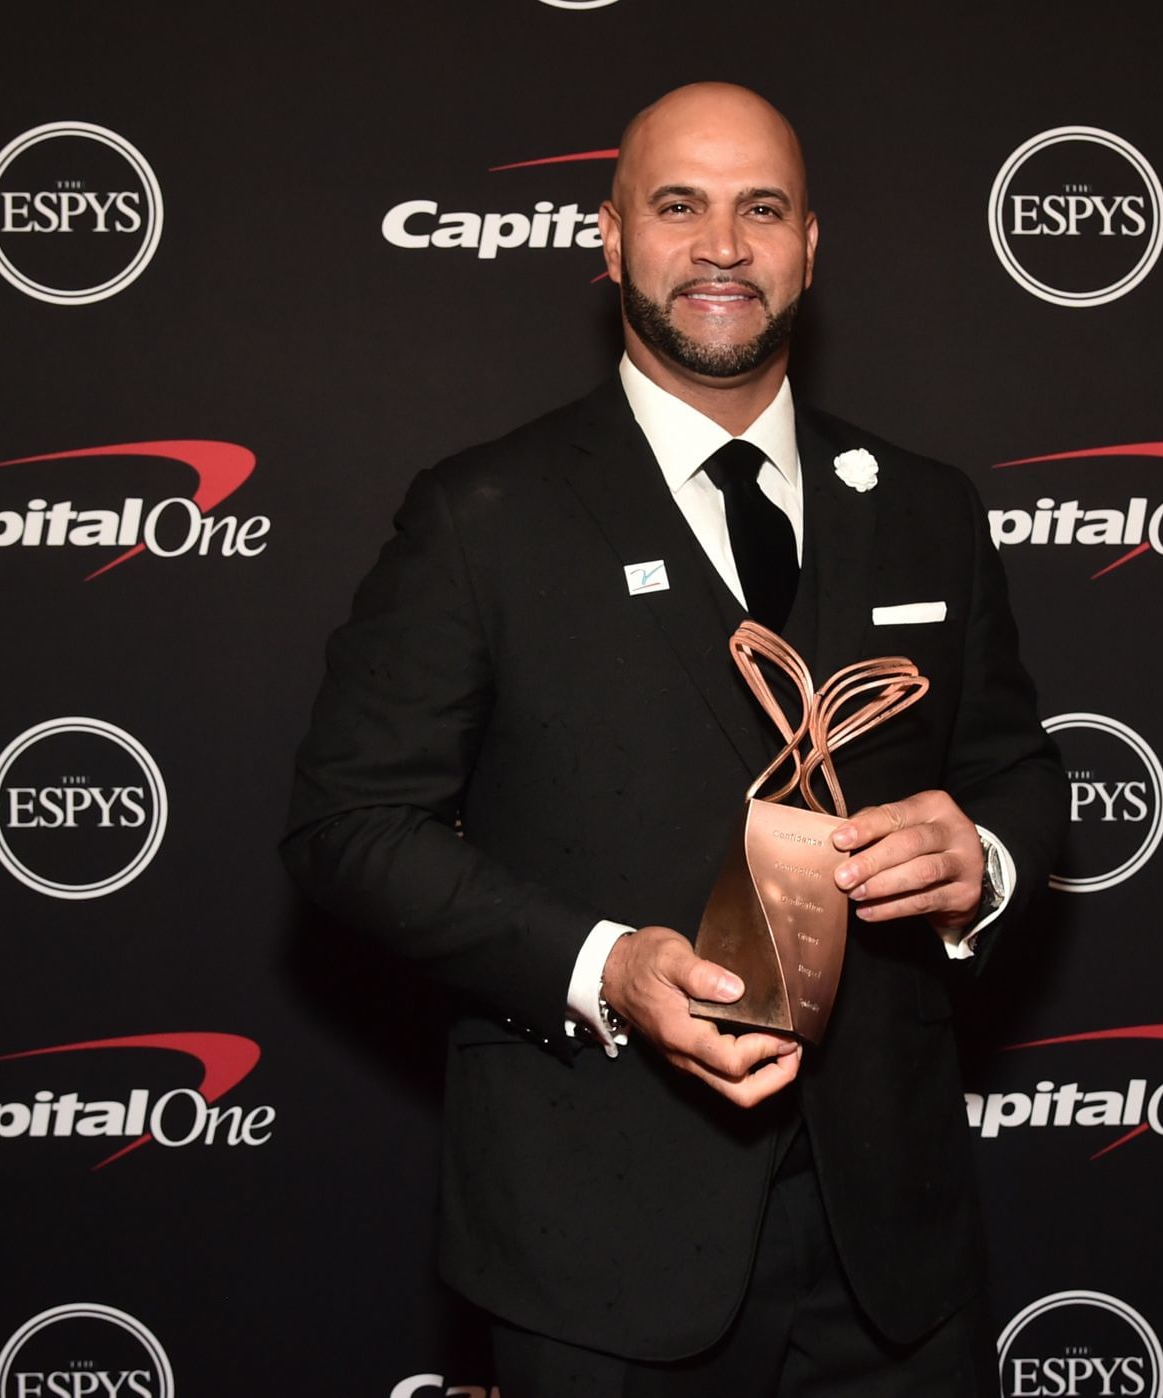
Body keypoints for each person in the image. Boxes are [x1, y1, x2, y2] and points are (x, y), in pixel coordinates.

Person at [283, 81, 1066, 1397]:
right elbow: (349, 826)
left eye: (761, 208)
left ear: (810, 246)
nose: (721, 246)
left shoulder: (926, 505)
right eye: (679, 205)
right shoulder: (485, 514)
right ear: (610, 240)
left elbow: (1018, 772)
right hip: (598, 1258)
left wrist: (980, 853)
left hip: (897, 1262)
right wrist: (610, 969)